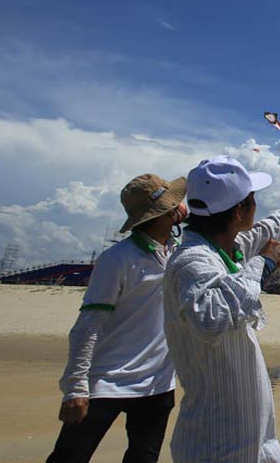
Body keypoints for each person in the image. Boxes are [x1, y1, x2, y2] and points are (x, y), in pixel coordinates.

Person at [163, 155, 280, 463]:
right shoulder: (190, 259)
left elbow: (276, 225)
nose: (257, 207)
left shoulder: (229, 246)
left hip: (255, 439)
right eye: (253, 200)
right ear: (240, 210)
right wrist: (264, 265)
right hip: (214, 443)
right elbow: (210, 317)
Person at [48, 173, 187, 463]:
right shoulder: (118, 259)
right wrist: (75, 387)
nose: (180, 207)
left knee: (143, 457)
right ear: (162, 213)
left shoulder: (178, 253)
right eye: (173, 203)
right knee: (69, 457)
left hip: (157, 384)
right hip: (106, 382)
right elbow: (88, 325)